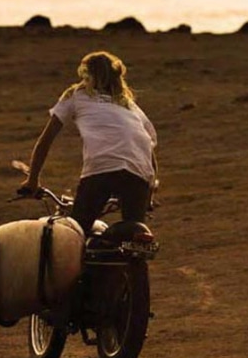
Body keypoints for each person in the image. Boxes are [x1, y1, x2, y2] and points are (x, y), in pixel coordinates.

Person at [19, 50, 158, 235]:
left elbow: (46, 140)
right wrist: (148, 196)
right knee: (135, 233)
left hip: (101, 169)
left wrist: (32, 180)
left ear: (87, 74)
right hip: (139, 173)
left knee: (76, 232)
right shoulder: (128, 104)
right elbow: (147, 146)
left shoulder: (76, 95)